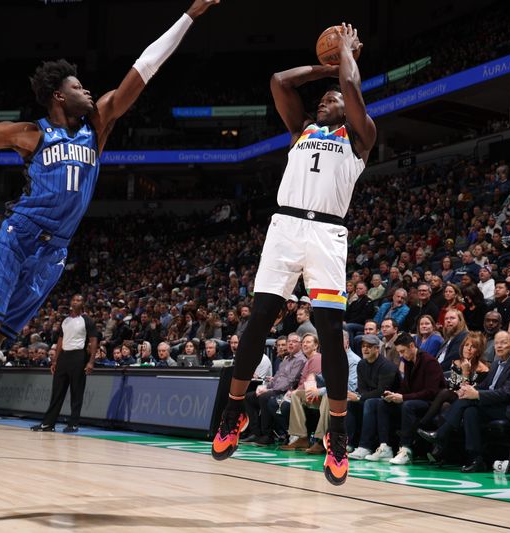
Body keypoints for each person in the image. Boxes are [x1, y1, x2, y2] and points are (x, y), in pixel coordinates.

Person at [0, 0, 221, 514]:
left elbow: (145, 67)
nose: (89, 90)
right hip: (16, 236)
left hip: (51, 257)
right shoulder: (30, 135)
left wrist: (190, 16)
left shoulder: (98, 126)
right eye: (80, 85)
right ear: (58, 94)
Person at [210, 23, 376, 487]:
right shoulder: (301, 130)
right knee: (259, 317)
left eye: (333, 98)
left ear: (348, 108)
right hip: (285, 226)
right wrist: (323, 65)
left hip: (326, 233)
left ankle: (337, 433)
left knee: (328, 331)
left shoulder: (361, 137)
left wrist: (345, 59)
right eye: (321, 98)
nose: (325, 100)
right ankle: (234, 412)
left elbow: (349, 85)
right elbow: (280, 81)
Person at [418, 331, 510, 472]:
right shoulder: (497, 363)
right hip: (494, 404)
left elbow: (506, 394)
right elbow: (485, 386)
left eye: (503, 343)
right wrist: (470, 390)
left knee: (467, 403)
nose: (499, 346)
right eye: (497, 343)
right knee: (470, 411)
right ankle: (476, 459)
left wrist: (476, 394)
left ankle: (441, 434)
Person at [31, 294, 97, 433]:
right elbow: (60, 341)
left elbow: (93, 341)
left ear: (83, 303)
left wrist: (91, 361)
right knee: (57, 392)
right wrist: (55, 359)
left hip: (79, 356)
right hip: (63, 358)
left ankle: (73, 424)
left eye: (78, 300)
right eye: (73, 299)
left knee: (76, 391)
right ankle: (48, 424)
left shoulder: (87, 320)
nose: (75, 302)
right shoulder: (65, 321)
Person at [383, 333, 446, 465]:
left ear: (412, 346)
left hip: (432, 404)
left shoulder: (430, 362)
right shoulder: (408, 362)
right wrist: (394, 395)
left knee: (408, 405)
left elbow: (431, 392)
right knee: (380, 403)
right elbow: (406, 388)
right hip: (415, 400)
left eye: (402, 351)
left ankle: (406, 449)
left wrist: (403, 397)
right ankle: (385, 447)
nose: (401, 355)